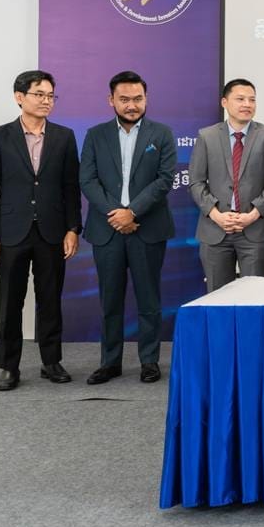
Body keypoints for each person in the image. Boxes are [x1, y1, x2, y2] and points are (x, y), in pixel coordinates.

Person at [0, 70, 81, 391]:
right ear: (19, 97)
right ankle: (9, 366)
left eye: (50, 95)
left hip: (52, 231)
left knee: (50, 300)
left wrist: (72, 229)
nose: (46, 101)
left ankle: (51, 361)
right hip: (10, 232)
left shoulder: (64, 137)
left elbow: (71, 188)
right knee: (11, 301)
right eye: (39, 94)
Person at [79, 71, 176, 385]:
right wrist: (116, 214)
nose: (132, 105)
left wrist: (132, 212)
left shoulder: (162, 134)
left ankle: (149, 361)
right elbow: (87, 180)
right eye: (124, 99)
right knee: (110, 301)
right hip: (107, 228)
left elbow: (164, 180)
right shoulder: (96, 135)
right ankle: (110, 362)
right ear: (111, 100)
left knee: (149, 300)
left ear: (146, 99)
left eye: (138, 98)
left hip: (147, 227)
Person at [188, 79, 264, 291]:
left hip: (254, 229)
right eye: (240, 99)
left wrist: (252, 215)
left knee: (254, 296)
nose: (247, 104)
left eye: (252, 100)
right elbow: (196, 182)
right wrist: (216, 215)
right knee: (217, 296)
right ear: (224, 102)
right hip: (215, 229)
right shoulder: (207, 136)